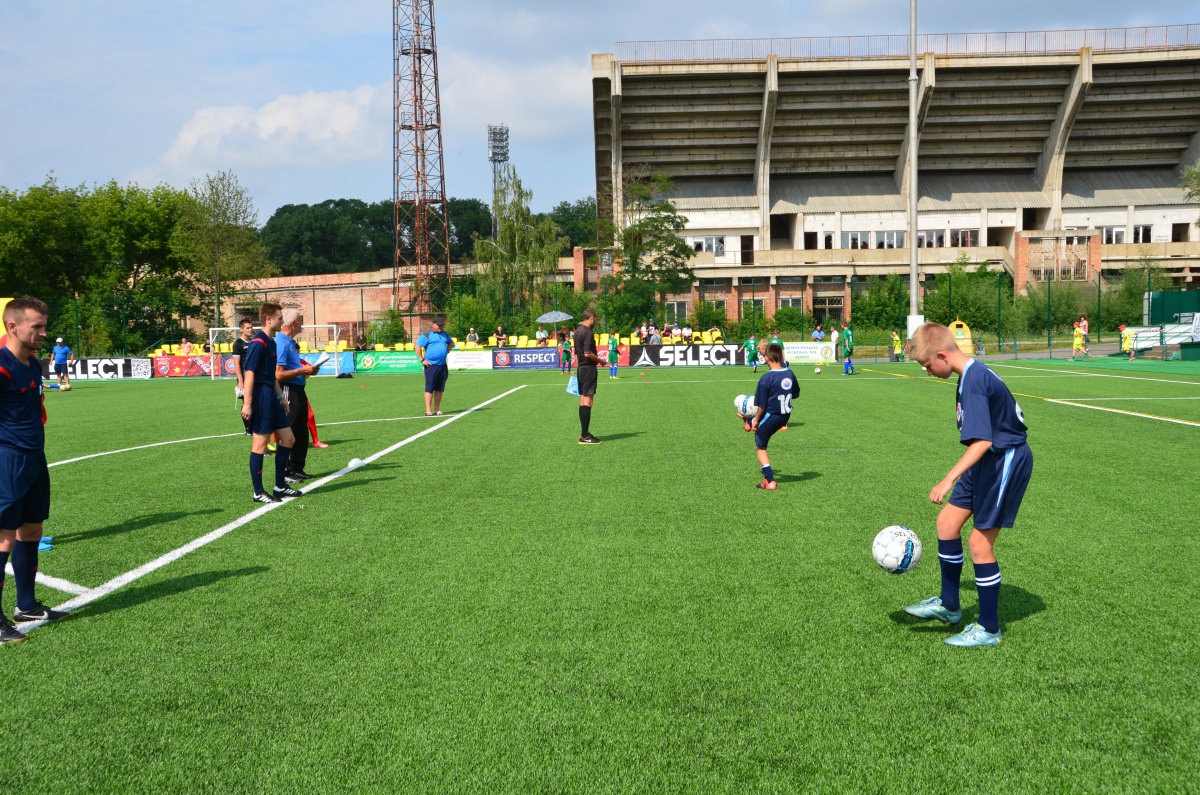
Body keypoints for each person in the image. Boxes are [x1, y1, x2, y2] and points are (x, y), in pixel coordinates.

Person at [903, 322, 1034, 648]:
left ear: (942, 355)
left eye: (927, 365)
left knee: (979, 543)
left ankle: (989, 628)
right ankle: (949, 607)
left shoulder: (974, 380)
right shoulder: (968, 376)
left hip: (1005, 458)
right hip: (986, 457)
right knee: (947, 523)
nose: (928, 371)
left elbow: (983, 441)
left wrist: (948, 479)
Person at [0, 297, 70, 643]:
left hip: (33, 458)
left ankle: (26, 604)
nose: (44, 332)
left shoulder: (31, 365)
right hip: (7, 459)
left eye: (44, 325)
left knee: (32, 528)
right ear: (13, 326)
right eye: (37, 327)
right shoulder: (1, 365)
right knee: (3, 537)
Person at [241, 302, 302, 504]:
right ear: (269, 320)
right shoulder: (258, 343)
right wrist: (247, 403)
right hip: (259, 396)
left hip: (271, 395)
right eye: (279, 318)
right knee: (260, 444)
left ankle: (279, 485)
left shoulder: (273, 342)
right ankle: (258, 492)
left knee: (288, 438)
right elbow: (250, 373)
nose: (282, 321)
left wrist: (281, 398)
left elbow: (272, 376)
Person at [276, 308, 319, 484]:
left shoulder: (290, 342)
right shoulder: (281, 342)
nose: (302, 324)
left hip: (298, 390)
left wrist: (307, 372)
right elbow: (278, 374)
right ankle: (285, 471)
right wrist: (302, 370)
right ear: (293, 323)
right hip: (287, 390)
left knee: (301, 432)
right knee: (289, 430)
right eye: (301, 320)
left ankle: (297, 468)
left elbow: (291, 370)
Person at [748, 343, 799, 491]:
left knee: (760, 447)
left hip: (772, 415)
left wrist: (756, 420)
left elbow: (761, 406)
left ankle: (770, 481)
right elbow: (795, 393)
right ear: (781, 356)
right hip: (785, 416)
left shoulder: (766, 378)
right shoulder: (790, 373)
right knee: (755, 425)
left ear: (767, 358)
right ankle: (748, 422)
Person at [573, 308, 603, 444]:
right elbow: (587, 353)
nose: (595, 321)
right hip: (588, 368)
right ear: (591, 317)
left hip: (581, 369)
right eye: (595, 318)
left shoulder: (577, 332)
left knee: (582, 400)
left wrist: (579, 369)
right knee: (588, 401)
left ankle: (584, 434)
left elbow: (576, 354)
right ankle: (585, 435)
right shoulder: (588, 333)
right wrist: (601, 361)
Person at [416, 317, 454, 416]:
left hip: (442, 365)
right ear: (433, 324)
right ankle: (428, 410)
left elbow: (451, 343)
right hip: (431, 365)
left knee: (439, 389)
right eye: (439, 325)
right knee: (429, 388)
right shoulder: (427, 334)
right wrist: (422, 359)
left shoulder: (445, 334)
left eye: (442, 325)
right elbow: (417, 346)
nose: (441, 327)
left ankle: (436, 410)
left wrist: (447, 350)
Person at [232, 317, 255, 435]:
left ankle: (253, 426)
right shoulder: (238, 344)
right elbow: (236, 363)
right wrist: (240, 381)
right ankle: (248, 428)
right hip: (244, 376)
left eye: (251, 327)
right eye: (248, 328)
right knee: (245, 402)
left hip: (254, 375)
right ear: (241, 329)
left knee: (255, 401)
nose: (250, 330)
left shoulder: (253, 342)